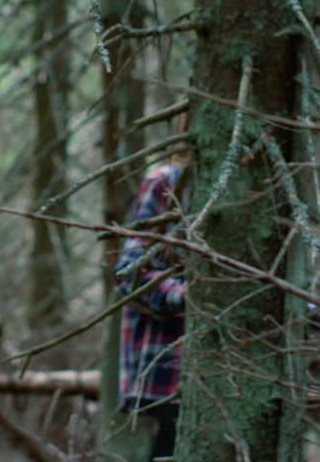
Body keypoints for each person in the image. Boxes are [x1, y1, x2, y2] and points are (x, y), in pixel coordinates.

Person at [114, 151, 191, 462]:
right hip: (171, 365)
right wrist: (188, 295)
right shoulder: (167, 182)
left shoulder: (265, 186)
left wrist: (313, 310)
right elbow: (130, 274)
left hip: (242, 370)